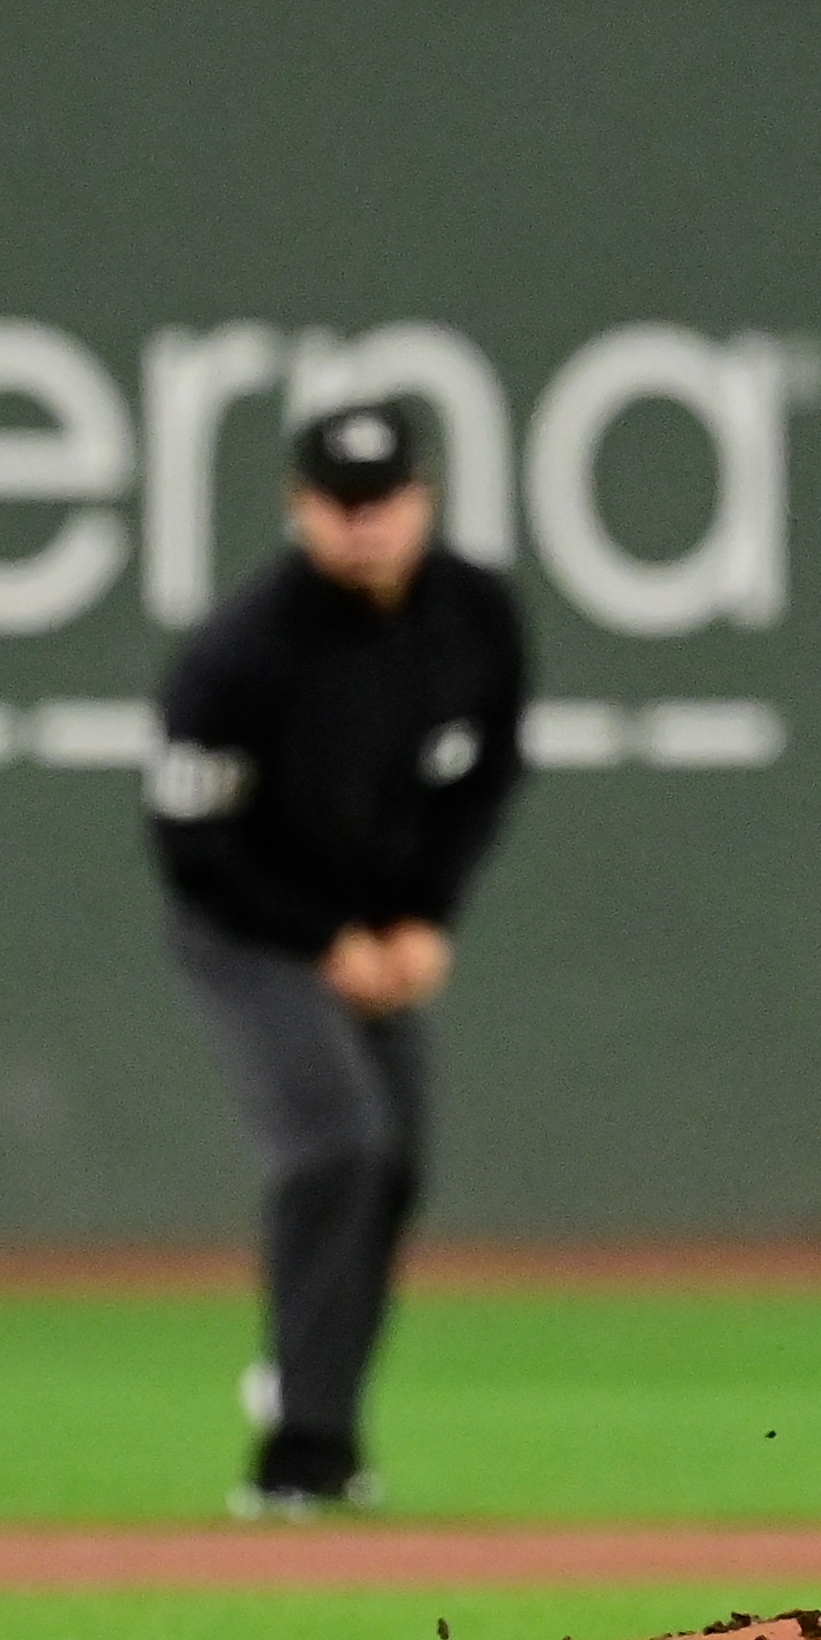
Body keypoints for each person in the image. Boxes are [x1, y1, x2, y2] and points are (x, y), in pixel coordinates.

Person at [148, 400, 530, 1518]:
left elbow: (486, 772)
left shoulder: (471, 615)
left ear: (424, 498)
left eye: (383, 500)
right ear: (298, 508)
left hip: (378, 924)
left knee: (395, 1165)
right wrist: (327, 943)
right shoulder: (241, 650)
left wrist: (423, 917)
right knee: (335, 1142)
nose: (364, 524)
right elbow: (192, 844)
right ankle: (296, 1451)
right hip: (250, 928)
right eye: (339, 503)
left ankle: (324, 1421)